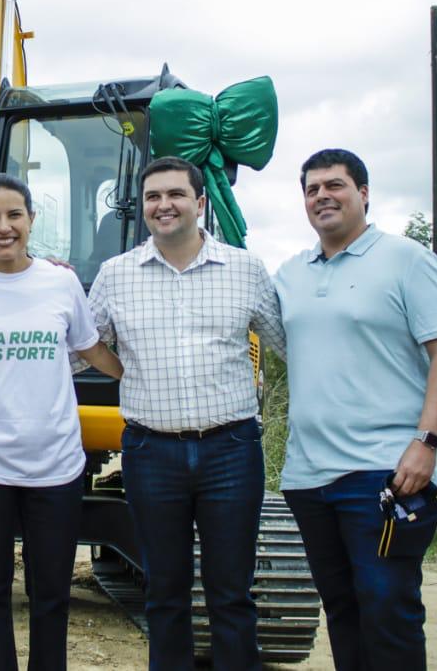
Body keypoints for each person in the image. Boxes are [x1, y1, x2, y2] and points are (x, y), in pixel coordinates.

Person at [87, 156, 285, 671]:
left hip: (231, 451)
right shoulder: (115, 275)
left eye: (175, 194)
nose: (163, 204)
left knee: (231, 592)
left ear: (199, 203)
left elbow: (289, 344)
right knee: (164, 591)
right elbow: (82, 346)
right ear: (141, 207)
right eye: (153, 196)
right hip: (151, 452)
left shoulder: (244, 269)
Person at [274, 149, 437, 671]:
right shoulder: (290, 274)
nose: (321, 196)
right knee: (343, 608)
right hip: (309, 474)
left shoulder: (407, 260)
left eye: (334, 185)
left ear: (363, 193)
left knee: (388, 608)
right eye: (311, 189)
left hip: (386, 470)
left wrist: (427, 442)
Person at [0, 173, 122, 671]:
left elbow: (90, 348)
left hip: (55, 465)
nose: (4, 227)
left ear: (31, 220)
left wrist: (142, 376)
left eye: (14, 215)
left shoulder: (60, 282)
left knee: (51, 593)